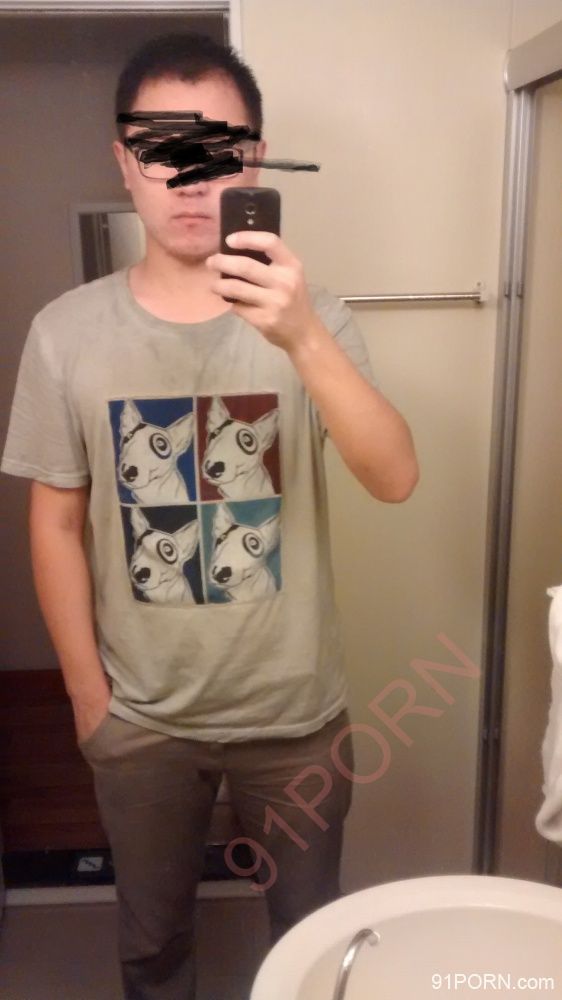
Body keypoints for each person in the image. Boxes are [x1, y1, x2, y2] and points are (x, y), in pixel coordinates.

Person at [1, 32, 418, 1000]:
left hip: (296, 715)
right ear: (124, 162)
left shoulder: (311, 318)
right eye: (162, 147)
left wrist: (301, 335)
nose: (189, 177)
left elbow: (394, 477)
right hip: (141, 718)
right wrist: (87, 700)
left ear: (255, 160)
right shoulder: (65, 333)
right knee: (152, 944)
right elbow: (53, 522)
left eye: (217, 147)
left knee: (310, 941)